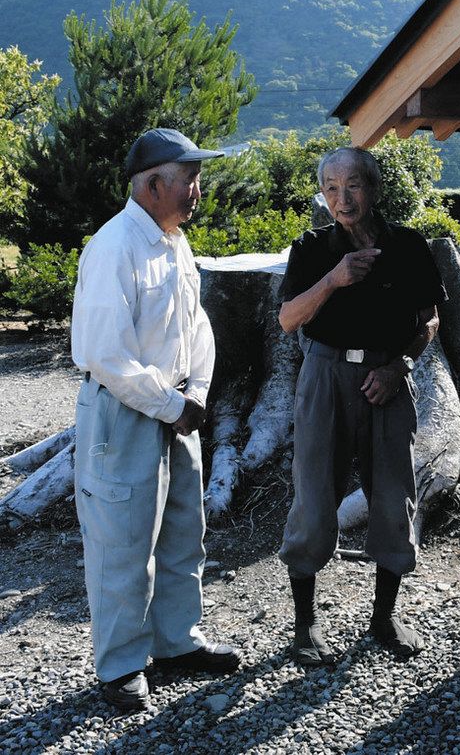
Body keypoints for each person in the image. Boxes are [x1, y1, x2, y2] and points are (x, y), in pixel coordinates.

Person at [71, 128, 241, 711]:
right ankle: (119, 665)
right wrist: (178, 405)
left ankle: (176, 644)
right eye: (189, 178)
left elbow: (198, 327)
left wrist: (196, 391)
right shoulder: (114, 247)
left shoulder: (174, 244)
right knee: (121, 543)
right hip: (124, 414)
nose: (197, 189)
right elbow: (106, 355)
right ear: (153, 185)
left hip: (174, 410)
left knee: (180, 534)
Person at [277, 146, 446, 666]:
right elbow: (287, 319)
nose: (341, 198)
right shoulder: (310, 249)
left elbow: (430, 320)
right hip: (325, 376)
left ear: (373, 189)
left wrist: (401, 367)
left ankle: (384, 616)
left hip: (387, 379)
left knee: (394, 499)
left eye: (352, 186)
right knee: (313, 496)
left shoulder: (410, 246)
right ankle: (305, 627)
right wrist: (333, 279)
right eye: (330, 188)